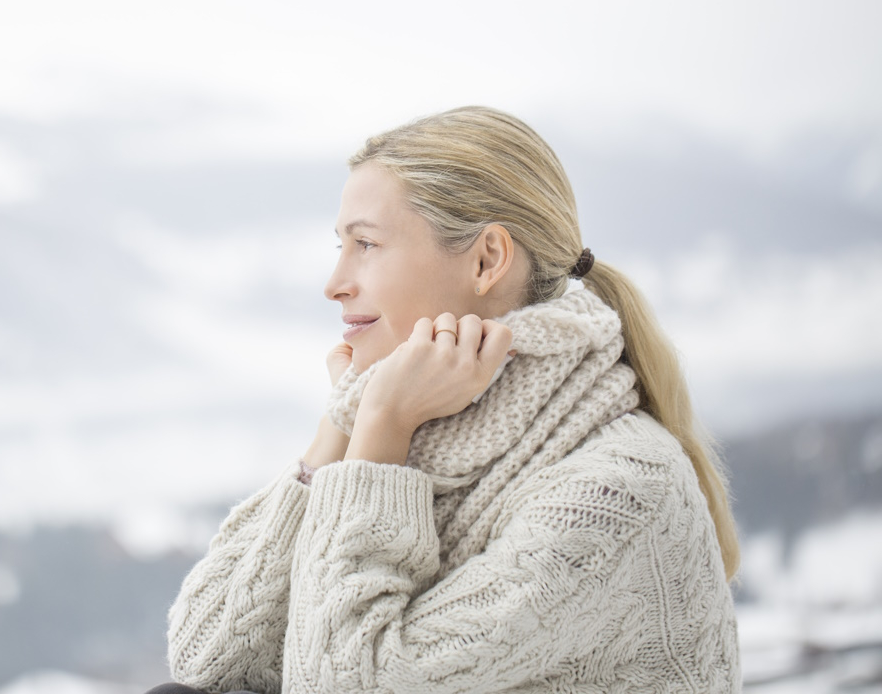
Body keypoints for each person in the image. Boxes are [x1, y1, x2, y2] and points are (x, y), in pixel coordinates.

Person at [154, 106, 741, 693]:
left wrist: (379, 429)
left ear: (486, 259)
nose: (334, 282)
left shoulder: (614, 490)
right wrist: (344, 423)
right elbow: (208, 662)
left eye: (366, 244)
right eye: (341, 245)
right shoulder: (429, 435)